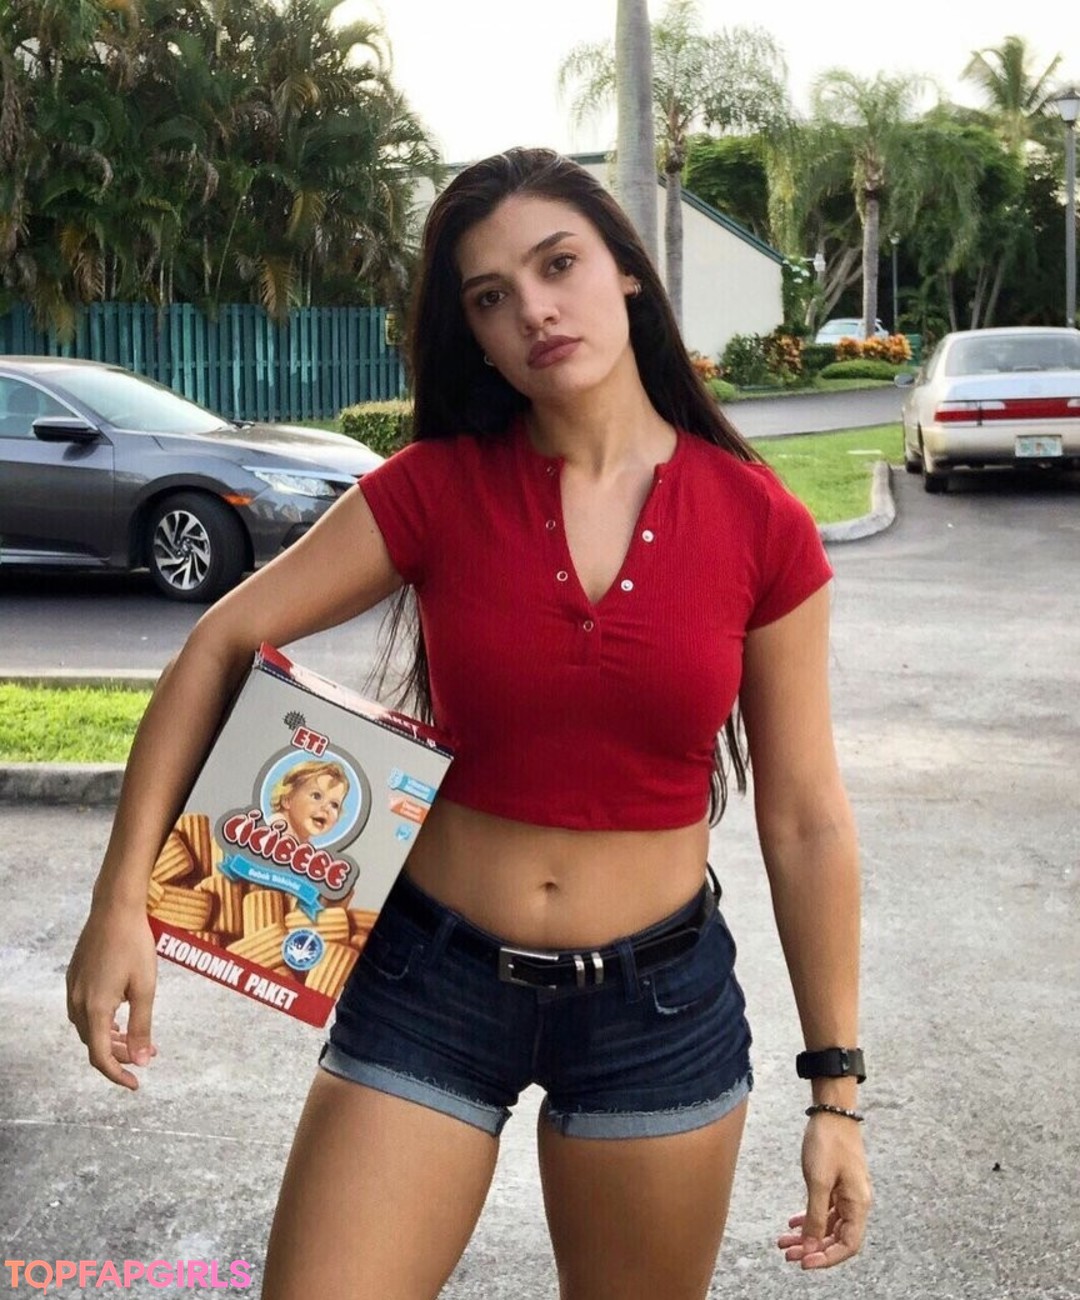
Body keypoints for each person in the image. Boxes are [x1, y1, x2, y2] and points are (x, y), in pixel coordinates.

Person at [66, 146, 871, 1299]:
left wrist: (836, 1092)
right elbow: (218, 643)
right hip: (431, 987)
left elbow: (804, 819)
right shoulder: (434, 488)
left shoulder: (760, 524)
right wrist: (121, 904)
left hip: (657, 1011)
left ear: (626, 270)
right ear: (477, 336)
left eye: (558, 265)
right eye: (492, 296)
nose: (533, 309)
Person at [268, 759, 350, 845]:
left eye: (334, 805)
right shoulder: (277, 827)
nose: (326, 808)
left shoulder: (301, 842)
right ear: (287, 799)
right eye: (316, 796)